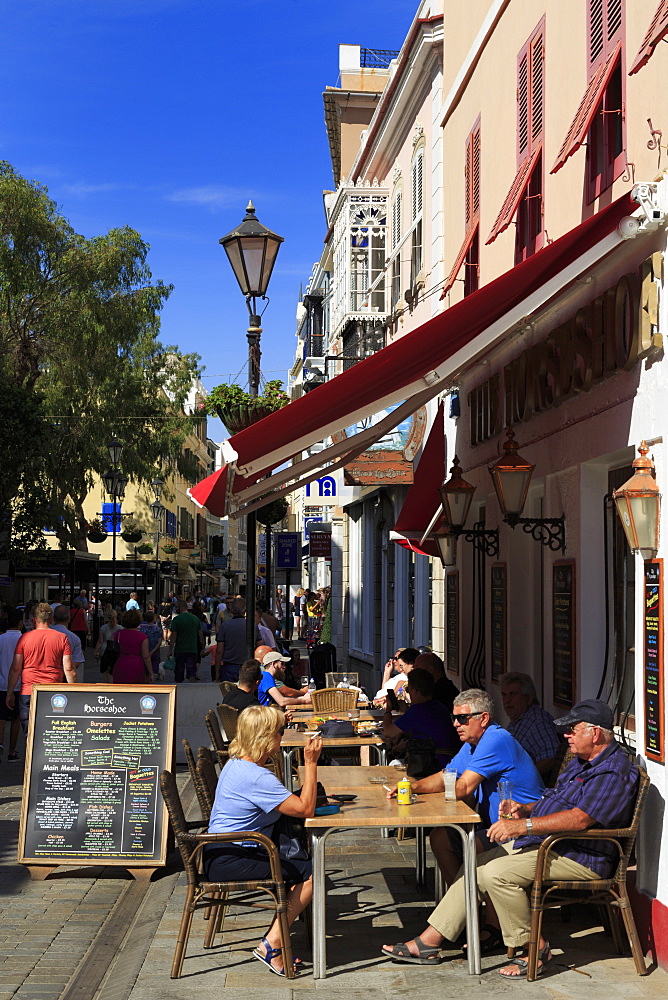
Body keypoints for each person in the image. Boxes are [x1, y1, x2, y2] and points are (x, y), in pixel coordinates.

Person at [381, 699, 640, 977]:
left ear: (596, 733)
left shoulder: (613, 771)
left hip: (580, 855)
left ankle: (533, 948)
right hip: (552, 843)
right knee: (475, 864)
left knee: (496, 874)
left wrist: (524, 826)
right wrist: (524, 807)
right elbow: (556, 799)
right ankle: (430, 941)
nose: (567, 736)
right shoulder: (582, 762)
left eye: (573, 730)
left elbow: (579, 819)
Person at [205, 705, 323, 976]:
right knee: (312, 875)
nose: (283, 736)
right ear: (267, 736)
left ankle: (277, 939)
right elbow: (305, 809)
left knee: (303, 868)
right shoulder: (256, 776)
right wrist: (312, 763)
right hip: (230, 858)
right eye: (281, 731)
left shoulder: (238, 763)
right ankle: (272, 944)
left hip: (221, 851)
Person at [387, 688, 543, 887]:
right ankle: (466, 903)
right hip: (494, 826)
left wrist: (421, 790)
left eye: (462, 718)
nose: (455, 724)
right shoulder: (473, 743)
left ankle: (479, 909)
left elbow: (462, 788)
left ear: (484, 718)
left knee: (472, 844)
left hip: (522, 830)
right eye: (454, 717)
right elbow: (447, 775)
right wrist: (412, 787)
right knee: (440, 838)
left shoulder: (496, 739)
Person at [5, 603, 75, 733]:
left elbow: (16, 668)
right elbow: (69, 669)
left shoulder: (24, 638)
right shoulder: (62, 638)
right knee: (50, 732)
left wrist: (10, 693)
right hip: (53, 689)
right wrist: (73, 691)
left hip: (28, 691)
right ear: (52, 619)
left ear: (33, 620)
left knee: (29, 732)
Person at [382, 668, 459, 766]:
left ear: (414, 691)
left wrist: (388, 710)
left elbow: (388, 732)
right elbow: (425, 730)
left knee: (393, 764)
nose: (408, 692)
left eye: (408, 689)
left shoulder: (418, 710)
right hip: (446, 760)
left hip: (431, 763)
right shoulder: (439, 706)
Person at [500, 671, 561, 777]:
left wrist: (523, 777)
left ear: (528, 698)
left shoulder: (537, 721)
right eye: (504, 695)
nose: (507, 700)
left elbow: (551, 757)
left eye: (513, 694)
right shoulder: (517, 719)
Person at [213, 598, 261, 683]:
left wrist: (217, 671)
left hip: (229, 666)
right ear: (245, 610)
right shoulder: (253, 626)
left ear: (231, 610)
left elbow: (219, 650)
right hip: (248, 665)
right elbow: (260, 646)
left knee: (229, 693)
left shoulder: (225, 626)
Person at [0, 607, 23, 761]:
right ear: (21, 623)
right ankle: (12, 751)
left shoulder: (1, 639)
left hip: (1, 683)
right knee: (16, 718)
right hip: (20, 683)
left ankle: (0, 743)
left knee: (1, 717)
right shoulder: (25, 638)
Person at [113, 609, 153, 684]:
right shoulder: (142, 637)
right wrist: (151, 672)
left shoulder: (117, 634)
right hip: (136, 664)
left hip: (121, 662)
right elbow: (146, 656)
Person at [167, 600, 202, 683]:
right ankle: (192, 688)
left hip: (180, 649)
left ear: (180, 607)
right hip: (192, 648)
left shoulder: (176, 619)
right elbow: (200, 634)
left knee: (179, 671)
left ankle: (179, 688)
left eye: (177, 607)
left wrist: (170, 650)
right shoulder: (195, 618)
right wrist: (202, 647)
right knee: (192, 671)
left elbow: (173, 636)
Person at [51, 606, 85, 681]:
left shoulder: (45, 635)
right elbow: (76, 661)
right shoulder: (74, 638)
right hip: (64, 678)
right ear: (69, 618)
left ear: (53, 618)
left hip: (45, 677)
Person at [94, 610, 122, 676]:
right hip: (115, 649)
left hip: (105, 649)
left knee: (105, 670)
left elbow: (100, 641)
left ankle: (106, 683)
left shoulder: (103, 628)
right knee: (114, 668)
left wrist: (96, 650)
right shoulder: (120, 628)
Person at [139, 611, 164, 680]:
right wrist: (153, 651)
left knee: (145, 670)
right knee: (154, 671)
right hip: (154, 651)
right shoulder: (158, 629)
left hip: (144, 652)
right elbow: (159, 642)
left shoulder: (142, 629)